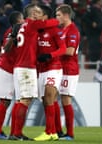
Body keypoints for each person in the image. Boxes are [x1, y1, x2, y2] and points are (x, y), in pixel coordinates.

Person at [9, 4, 59, 141]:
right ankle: (17, 133)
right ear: (31, 14)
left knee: (20, 100)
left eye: (39, 12)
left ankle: (14, 132)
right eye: (36, 12)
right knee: (25, 100)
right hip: (26, 67)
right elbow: (55, 22)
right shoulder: (32, 24)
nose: (38, 14)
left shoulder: (22, 26)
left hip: (19, 66)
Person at [33, 5, 66, 141]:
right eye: (34, 12)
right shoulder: (35, 31)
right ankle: (53, 132)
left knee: (49, 97)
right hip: (42, 70)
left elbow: (63, 49)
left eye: (38, 13)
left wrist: (50, 55)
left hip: (54, 67)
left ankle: (49, 131)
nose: (35, 15)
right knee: (45, 101)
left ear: (45, 17)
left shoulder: (53, 30)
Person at [0, 11, 24, 140]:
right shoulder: (11, 32)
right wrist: (13, 36)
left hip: (12, 70)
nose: (25, 20)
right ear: (18, 21)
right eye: (22, 19)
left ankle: (12, 132)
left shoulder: (20, 32)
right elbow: (8, 48)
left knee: (14, 101)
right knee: (4, 101)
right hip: (5, 69)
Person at [55, 4, 80, 140]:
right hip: (60, 68)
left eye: (58, 15)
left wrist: (53, 53)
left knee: (66, 100)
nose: (56, 18)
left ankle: (70, 134)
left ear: (66, 15)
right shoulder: (61, 30)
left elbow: (70, 51)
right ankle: (58, 131)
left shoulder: (72, 30)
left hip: (69, 70)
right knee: (52, 98)